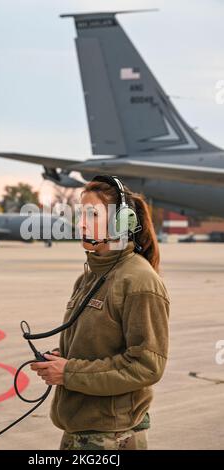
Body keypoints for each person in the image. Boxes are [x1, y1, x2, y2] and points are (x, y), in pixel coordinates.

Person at [30, 175, 170, 450]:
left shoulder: (139, 281)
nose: (81, 222)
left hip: (112, 437)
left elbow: (146, 366)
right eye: (82, 214)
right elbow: (99, 345)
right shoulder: (89, 278)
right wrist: (62, 360)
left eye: (92, 214)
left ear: (122, 223)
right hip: (79, 432)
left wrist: (69, 372)